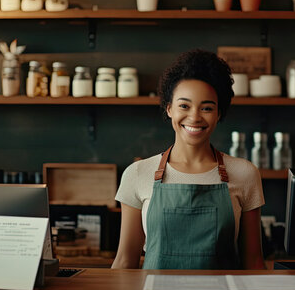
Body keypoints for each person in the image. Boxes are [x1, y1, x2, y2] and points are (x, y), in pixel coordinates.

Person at [111, 49, 266, 270]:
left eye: (207, 108)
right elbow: (125, 261)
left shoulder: (245, 173)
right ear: (169, 109)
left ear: (219, 113)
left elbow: (253, 263)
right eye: (184, 105)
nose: (194, 117)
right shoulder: (137, 173)